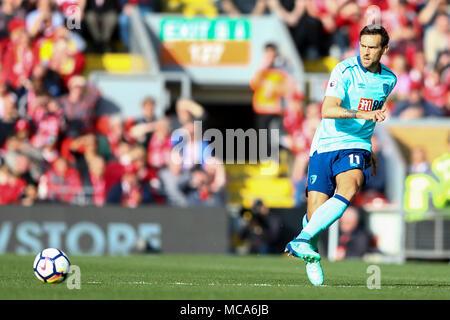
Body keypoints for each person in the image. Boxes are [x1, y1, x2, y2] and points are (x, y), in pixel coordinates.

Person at [284, 25, 397, 286]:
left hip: (356, 144)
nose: (366, 52)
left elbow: (372, 113)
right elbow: (327, 109)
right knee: (315, 214)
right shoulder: (344, 70)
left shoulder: (389, 80)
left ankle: (301, 240)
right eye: (363, 45)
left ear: (384, 49)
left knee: (351, 185)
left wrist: (369, 145)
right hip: (325, 144)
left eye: (373, 47)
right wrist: (362, 114)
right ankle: (310, 251)